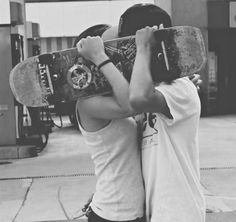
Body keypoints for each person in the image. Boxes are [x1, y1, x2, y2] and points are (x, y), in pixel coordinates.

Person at [118, 3, 206, 222]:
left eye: (130, 48)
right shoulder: (158, 88)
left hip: (179, 212)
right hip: (158, 211)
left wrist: (143, 49)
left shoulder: (180, 88)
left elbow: (139, 98)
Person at [74, 24, 145, 222]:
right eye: (110, 52)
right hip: (114, 214)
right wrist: (99, 57)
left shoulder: (119, 93)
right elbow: (131, 106)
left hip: (132, 211)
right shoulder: (86, 103)